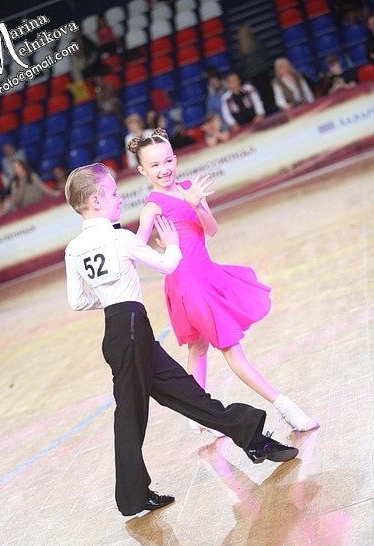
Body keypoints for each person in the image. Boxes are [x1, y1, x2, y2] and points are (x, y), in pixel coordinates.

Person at [64, 163, 298, 518]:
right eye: (113, 193)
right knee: (129, 416)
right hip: (132, 329)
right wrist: (173, 245)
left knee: (187, 394)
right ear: (96, 201)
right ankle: (133, 497)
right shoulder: (119, 238)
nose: (119, 199)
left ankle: (252, 439)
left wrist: (112, 298)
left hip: (121, 329)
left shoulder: (74, 249)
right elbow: (168, 265)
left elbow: (78, 301)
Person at [129, 129, 319, 435]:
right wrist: (166, 249)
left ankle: (198, 416)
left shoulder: (189, 189)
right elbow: (136, 248)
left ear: (175, 158)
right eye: (154, 165)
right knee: (231, 349)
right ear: (142, 170)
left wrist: (196, 204)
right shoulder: (152, 207)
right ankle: (286, 407)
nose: (164, 169)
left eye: (167, 161)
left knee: (198, 348)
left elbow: (212, 229)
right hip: (188, 283)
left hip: (205, 273)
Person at [236, 23, 276, 114]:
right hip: (262, 70)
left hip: (253, 74)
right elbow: (264, 53)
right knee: (267, 89)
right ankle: (272, 106)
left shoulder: (240, 48)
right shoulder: (255, 41)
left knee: (260, 92)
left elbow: (242, 62)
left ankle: (265, 108)